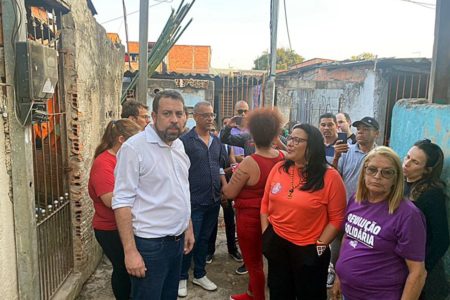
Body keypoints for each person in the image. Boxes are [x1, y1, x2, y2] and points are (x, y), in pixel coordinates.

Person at [112, 90, 195, 300]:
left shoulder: (178, 145)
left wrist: (188, 227)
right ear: (155, 116)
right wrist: (130, 252)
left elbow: (181, 189)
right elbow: (121, 201)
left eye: (179, 113)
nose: (174, 120)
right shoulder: (134, 148)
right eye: (167, 113)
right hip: (150, 245)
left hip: (176, 242)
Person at [261, 123, 347, 300]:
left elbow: (337, 219)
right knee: (279, 291)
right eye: (290, 138)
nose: (290, 143)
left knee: (310, 294)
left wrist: (320, 246)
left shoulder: (330, 177)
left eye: (297, 140)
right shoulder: (279, 169)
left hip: (309, 249)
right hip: (277, 243)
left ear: (312, 146)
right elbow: (265, 203)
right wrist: (266, 234)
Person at [334, 146, 427, 300]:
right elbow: (348, 238)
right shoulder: (356, 200)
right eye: (372, 169)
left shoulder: (408, 215)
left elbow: (417, 272)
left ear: (396, 178)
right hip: (348, 293)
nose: (377, 176)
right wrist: (339, 277)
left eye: (387, 172)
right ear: (364, 172)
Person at [223, 108, 285, 300]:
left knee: (254, 263)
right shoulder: (282, 157)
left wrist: (222, 177)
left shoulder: (250, 162)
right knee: (267, 261)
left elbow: (230, 193)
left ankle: (257, 296)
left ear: (251, 134)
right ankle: (250, 292)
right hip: (274, 218)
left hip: (250, 220)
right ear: (275, 133)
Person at [88, 119, 141, 300]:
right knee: (122, 268)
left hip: (124, 225)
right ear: (121, 140)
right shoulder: (104, 163)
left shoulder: (122, 159)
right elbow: (110, 200)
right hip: (109, 228)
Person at [178, 101, 225, 297]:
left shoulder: (216, 141)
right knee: (189, 240)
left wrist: (224, 189)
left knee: (204, 239)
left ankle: (199, 273)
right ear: (195, 116)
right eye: (205, 115)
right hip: (193, 202)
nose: (210, 119)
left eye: (212, 115)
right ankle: (181, 277)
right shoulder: (184, 141)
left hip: (213, 200)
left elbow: (219, 166)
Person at [327, 116, 380, 288]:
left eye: (366, 129)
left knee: (360, 247)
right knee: (337, 245)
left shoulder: (381, 155)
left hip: (369, 212)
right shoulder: (346, 151)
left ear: (376, 133)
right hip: (344, 208)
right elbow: (333, 177)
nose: (361, 132)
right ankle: (335, 274)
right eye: (359, 128)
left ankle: (355, 279)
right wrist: (335, 157)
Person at [403, 139, 449, 299]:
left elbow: (441, 239)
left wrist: (421, 268)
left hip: (424, 274)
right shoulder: (400, 184)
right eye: (407, 157)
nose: (407, 163)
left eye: (414, 162)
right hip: (401, 267)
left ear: (427, 170)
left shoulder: (432, 195)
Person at [207, 120, 242, 265]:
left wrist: (226, 186)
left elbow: (232, 165)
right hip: (213, 189)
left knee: (230, 220)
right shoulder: (206, 148)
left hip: (227, 189)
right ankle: (209, 251)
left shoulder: (227, 147)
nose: (212, 133)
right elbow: (211, 169)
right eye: (210, 130)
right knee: (212, 222)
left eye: (214, 130)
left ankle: (232, 249)